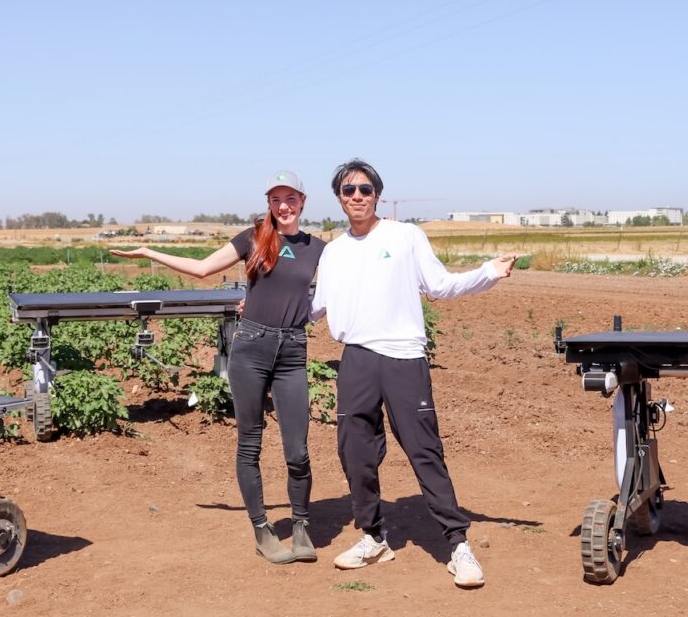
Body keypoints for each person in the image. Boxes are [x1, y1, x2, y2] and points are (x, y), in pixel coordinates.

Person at [309, 158, 515, 588]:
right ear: (339, 199)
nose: (358, 196)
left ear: (377, 194)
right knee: (355, 452)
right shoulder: (335, 251)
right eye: (349, 191)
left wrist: (488, 273)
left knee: (424, 450)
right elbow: (315, 308)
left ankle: (458, 545)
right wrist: (259, 308)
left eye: (365, 189)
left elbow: (439, 286)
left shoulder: (405, 236)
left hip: (404, 356)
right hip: (356, 358)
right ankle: (373, 537)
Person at [111, 171, 325, 564]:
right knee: (250, 441)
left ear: (302, 201)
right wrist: (149, 252)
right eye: (276, 199)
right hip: (251, 348)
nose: (284, 205)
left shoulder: (319, 248)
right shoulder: (254, 237)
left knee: (297, 449)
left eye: (290, 198)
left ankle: (300, 526)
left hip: (293, 351)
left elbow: (336, 293)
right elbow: (201, 268)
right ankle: (262, 529)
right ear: (269, 203)